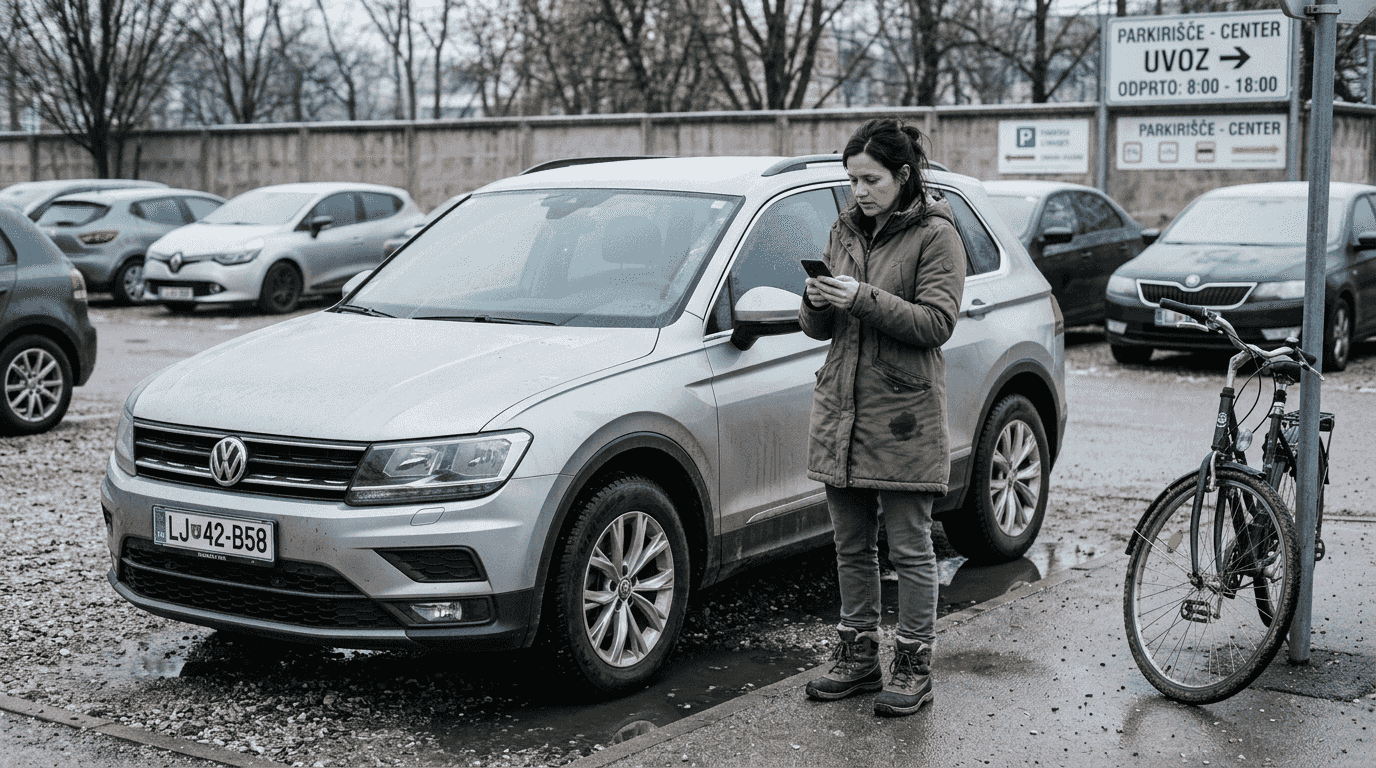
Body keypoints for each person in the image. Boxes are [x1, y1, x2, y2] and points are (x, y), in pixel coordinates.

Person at [800, 118, 966, 717]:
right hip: (842, 408)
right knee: (850, 546)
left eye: (870, 179)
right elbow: (821, 329)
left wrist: (860, 298)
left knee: (910, 548)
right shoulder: (843, 229)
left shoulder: (937, 234)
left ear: (902, 175)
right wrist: (816, 302)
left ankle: (914, 664)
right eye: (852, 181)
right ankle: (858, 655)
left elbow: (935, 324)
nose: (859, 192)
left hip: (903, 414)